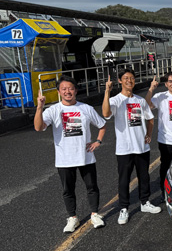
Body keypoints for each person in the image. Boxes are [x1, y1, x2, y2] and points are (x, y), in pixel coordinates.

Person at [34, 75, 107, 233]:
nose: (67, 92)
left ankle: (95, 214)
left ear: (76, 90)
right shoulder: (53, 110)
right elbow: (39, 127)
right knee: (68, 190)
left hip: (86, 157)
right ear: (59, 91)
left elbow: (102, 125)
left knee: (92, 187)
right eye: (64, 89)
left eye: (71, 88)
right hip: (64, 159)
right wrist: (39, 107)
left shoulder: (86, 108)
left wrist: (98, 141)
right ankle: (72, 217)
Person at [102, 69, 160, 225]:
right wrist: (107, 91)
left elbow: (150, 118)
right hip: (124, 149)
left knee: (144, 177)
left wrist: (149, 134)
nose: (129, 80)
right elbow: (106, 113)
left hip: (142, 147)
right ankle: (124, 208)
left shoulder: (140, 100)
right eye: (126, 78)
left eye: (132, 78)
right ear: (120, 81)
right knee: (124, 180)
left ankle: (145, 202)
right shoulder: (116, 100)